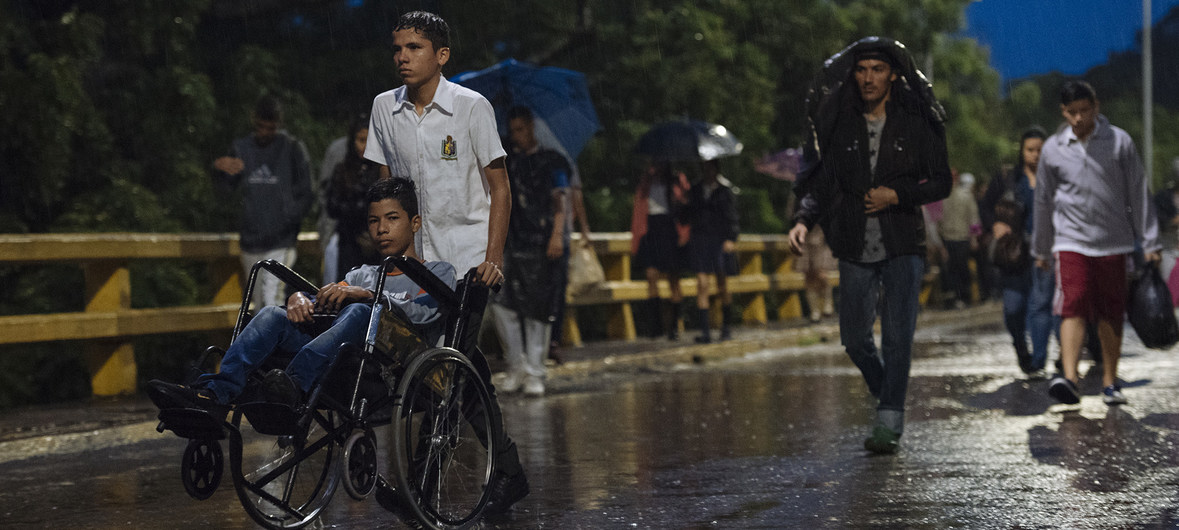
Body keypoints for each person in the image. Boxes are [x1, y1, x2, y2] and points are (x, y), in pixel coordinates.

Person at [361, 11, 527, 514]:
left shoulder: (471, 108)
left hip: (470, 262)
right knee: (460, 370)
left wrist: (492, 258)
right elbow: (388, 190)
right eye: (397, 48)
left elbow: (499, 187)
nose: (402, 57)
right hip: (420, 267)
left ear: (442, 55)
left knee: (445, 375)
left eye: (414, 47)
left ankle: (418, 488)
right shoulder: (383, 108)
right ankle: (509, 474)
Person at [147, 177, 454, 412]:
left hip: (395, 368)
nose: (382, 229)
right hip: (347, 361)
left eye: (392, 218)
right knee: (271, 314)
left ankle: (290, 385)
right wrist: (300, 299)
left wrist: (369, 296)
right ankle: (213, 394)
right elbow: (328, 300)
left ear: (414, 223)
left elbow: (423, 312)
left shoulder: (438, 273)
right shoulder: (361, 273)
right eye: (374, 221)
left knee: (363, 310)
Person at [789, 37, 952, 454]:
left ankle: (889, 422)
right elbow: (825, 180)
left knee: (898, 337)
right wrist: (803, 220)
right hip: (854, 241)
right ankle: (888, 394)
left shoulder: (914, 122)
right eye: (861, 70)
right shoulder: (842, 123)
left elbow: (941, 182)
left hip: (902, 243)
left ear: (893, 74)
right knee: (854, 338)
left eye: (877, 69)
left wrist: (896, 196)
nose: (868, 78)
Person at [1034, 80, 1161, 406]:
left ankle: (1109, 381)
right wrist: (1041, 247)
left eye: (1084, 110)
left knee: (1110, 310)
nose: (1078, 118)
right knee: (1072, 303)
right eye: (1071, 112)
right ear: (1063, 112)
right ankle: (1070, 378)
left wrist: (1149, 241)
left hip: (1113, 242)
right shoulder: (1053, 148)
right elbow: (1044, 201)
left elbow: (1138, 191)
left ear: (1096, 106)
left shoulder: (1119, 142)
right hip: (1070, 241)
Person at [491, 106, 569, 397]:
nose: (517, 136)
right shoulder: (507, 160)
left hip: (540, 240)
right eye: (513, 131)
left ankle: (536, 370)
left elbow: (560, 201)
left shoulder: (551, 161)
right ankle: (516, 366)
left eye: (521, 129)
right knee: (503, 305)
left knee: (537, 309)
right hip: (511, 240)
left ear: (532, 127)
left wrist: (556, 235)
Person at [212, 95, 314, 308]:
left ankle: (275, 341)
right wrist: (219, 170)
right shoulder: (242, 148)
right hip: (251, 239)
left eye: (271, 128)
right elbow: (225, 191)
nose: (265, 133)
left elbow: (307, 192)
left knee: (271, 300)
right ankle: (273, 341)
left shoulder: (292, 148)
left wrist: (287, 221)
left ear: (279, 124)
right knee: (259, 305)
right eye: (261, 127)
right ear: (253, 120)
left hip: (280, 241)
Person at [980, 127, 1055, 379]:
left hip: (1045, 252)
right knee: (1013, 308)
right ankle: (1021, 349)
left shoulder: (1054, 177)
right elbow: (986, 205)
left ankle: (1038, 361)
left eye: (1040, 150)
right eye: (1030, 150)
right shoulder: (1008, 179)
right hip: (1013, 255)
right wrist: (995, 224)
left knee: (1040, 306)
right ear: (1022, 151)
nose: (1035, 155)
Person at [630, 162, 690, 340]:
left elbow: (685, 206)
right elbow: (639, 208)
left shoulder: (677, 180)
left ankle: (674, 327)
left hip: (669, 227)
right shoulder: (646, 181)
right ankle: (655, 327)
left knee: (673, 279)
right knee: (651, 276)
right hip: (650, 228)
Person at [685, 159, 739, 343]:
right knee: (702, 283)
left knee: (722, 284)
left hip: (719, 239)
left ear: (716, 169)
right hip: (700, 239)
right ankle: (706, 331)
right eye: (705, 167)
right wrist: (681, 204)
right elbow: (687, 216)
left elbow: (731, 216)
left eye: (711, 168)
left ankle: (726, 328)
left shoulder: (724, 190)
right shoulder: (695, 190)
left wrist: (731, 238)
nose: (708, 171)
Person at [325, 113, 380, 281]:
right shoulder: (343, 170)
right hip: (349, 243)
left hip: (376, 244)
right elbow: (332, 206)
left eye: (367, 140)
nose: (363, 146)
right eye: (360, 140)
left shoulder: (381, 170)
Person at [938, 171, 980, 308]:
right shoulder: (940, 197)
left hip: (962, 237)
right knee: (950, 270)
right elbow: (936, 222)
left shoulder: (965, 196)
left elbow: (973, 218)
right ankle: (953, 297)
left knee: (961, 268)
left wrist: (974, 238)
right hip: (947, 238)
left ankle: (963, 295)